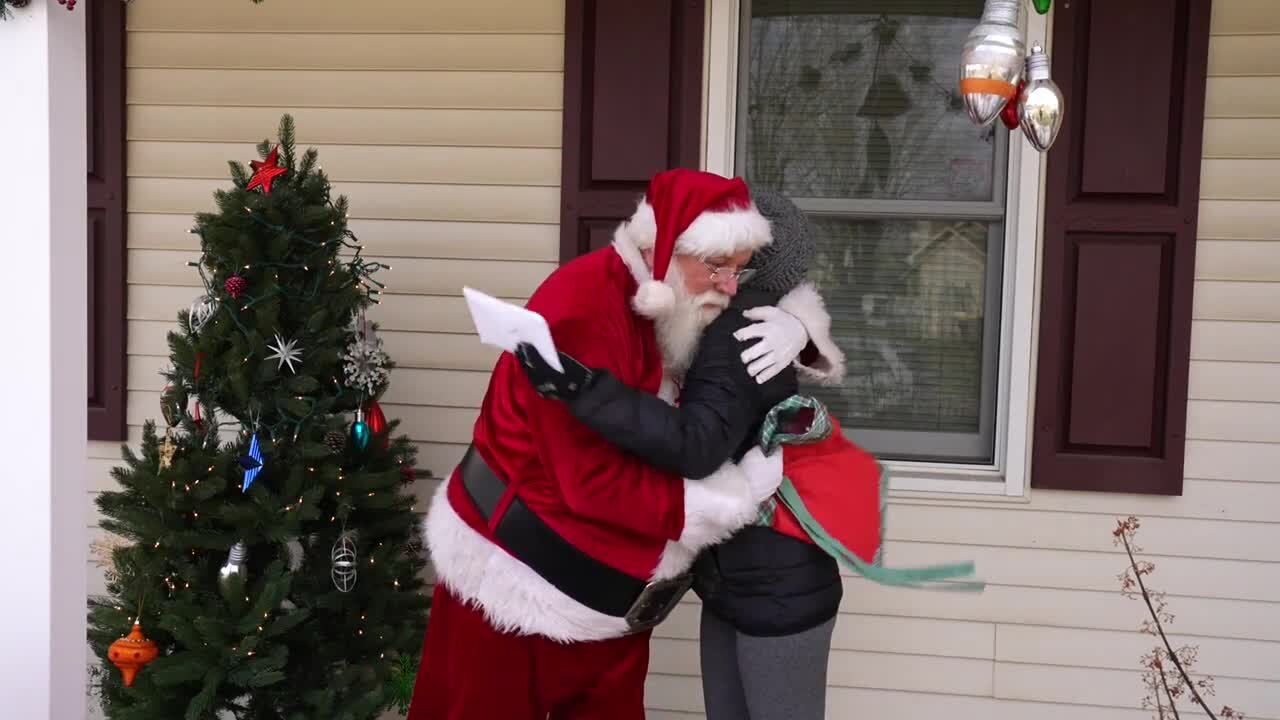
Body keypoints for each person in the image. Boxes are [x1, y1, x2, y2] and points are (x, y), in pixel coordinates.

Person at [407, 169, 843, 720]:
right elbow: (587, 479)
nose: (730, 285)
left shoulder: (676, 304)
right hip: (517, 591)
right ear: (666, 247)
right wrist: (722, 502)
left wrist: (797, 325)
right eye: (719, 266)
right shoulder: (583, 305)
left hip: (612, 604)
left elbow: (745, 325)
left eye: (739, 270)